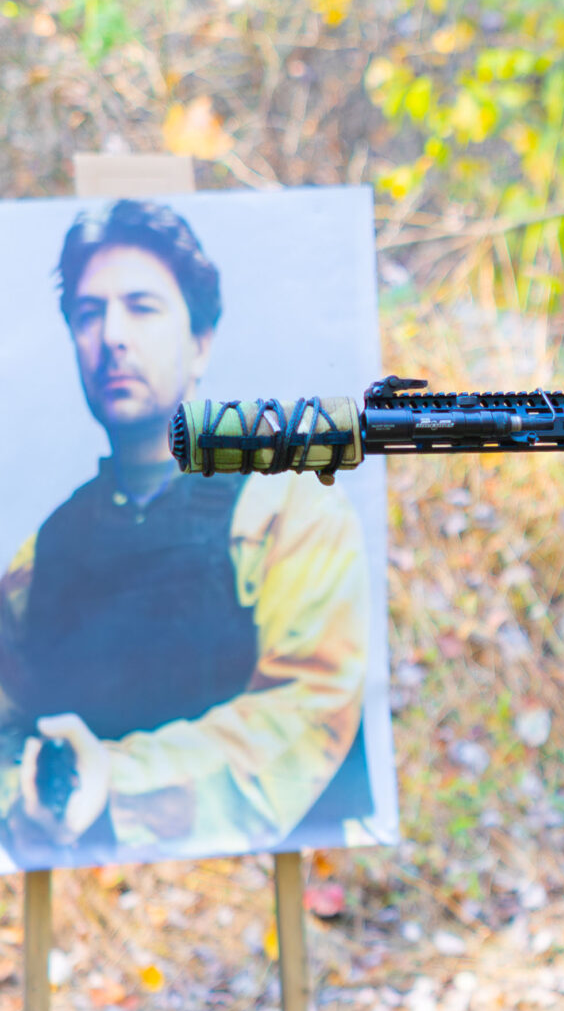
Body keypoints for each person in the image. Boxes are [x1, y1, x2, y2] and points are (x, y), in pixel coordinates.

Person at [0, 196, 372, 864]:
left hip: (264, 871)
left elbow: (307, 706)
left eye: (142, 308)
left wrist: (111, 785)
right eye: (89, 314)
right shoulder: (43, 553)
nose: (113, 335)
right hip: (94, 892)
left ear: (200, 342)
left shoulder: (287, 505)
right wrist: (29, 801)